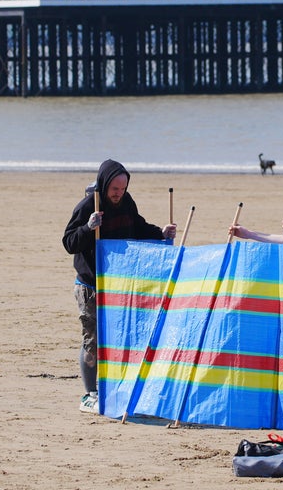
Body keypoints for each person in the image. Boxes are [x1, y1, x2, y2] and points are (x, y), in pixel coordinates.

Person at [61, 159, 176, 414]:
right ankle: (89, 394)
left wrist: (161, 233)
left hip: (118, 284)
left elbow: (138, 227)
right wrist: (88, 227)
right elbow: (68, 242)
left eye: (123, 189)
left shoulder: (126, 203)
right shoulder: (89, 205)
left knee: (117, 338)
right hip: (90, 285)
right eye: (115, 188)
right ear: (105, 184)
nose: (118, 193)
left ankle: (113, 387)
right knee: (92, 340)